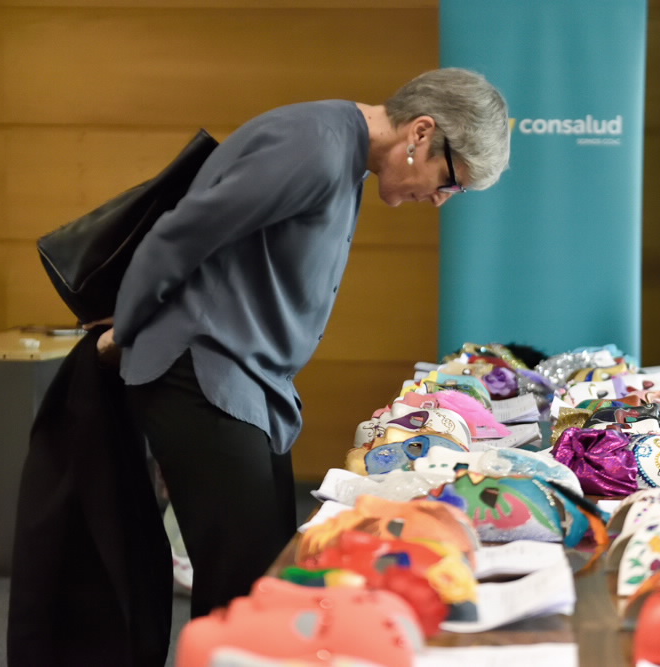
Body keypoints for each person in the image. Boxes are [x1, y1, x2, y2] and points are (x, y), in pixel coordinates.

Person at [93, 68, 511, 619]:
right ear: (421, 132)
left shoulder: (342, 154)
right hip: (203, 373)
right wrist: (125, 331)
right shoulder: (314, 146)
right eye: (450, 182)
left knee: (266, 576)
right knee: (245, 591)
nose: (439, 200)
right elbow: (181, 234)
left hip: (243, 383)